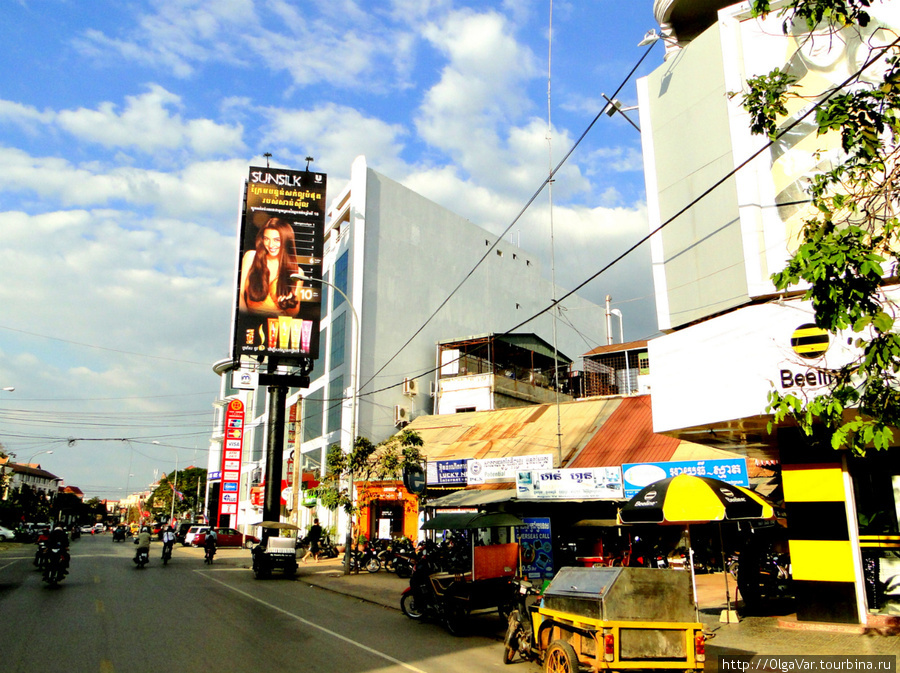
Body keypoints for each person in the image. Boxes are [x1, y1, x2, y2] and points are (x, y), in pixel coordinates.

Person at [238, 217, 301, 316]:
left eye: (277, 240)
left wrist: (289, 304)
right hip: (251, 324)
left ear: (286, 241)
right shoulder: (251, 257)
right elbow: (239, 293)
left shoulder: (297, 272)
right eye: (266, 239)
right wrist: (246, 319)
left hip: (278, 327)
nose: (271, 245)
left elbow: (294, 313)